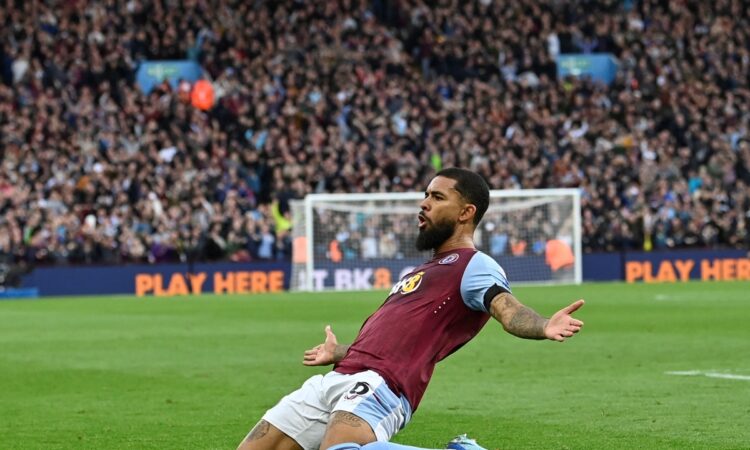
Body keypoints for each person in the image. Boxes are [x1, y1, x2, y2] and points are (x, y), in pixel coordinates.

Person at [237, 168, 585, 450]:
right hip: (338, 377)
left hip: (384, 384)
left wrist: (543, 325)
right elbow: (396, 340)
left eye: (437, 197)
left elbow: (508, 310)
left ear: (466, 213)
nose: (424, 203)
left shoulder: (474, 265)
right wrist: (341, 352)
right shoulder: (422, 271)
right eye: (426, 194)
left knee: (340, 449)